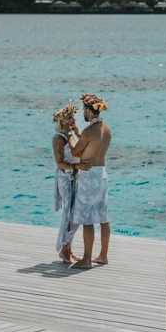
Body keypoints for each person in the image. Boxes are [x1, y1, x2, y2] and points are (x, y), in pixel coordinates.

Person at [69, 93, 111, 266]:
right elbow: (92, 147)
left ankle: (86, 259)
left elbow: (75, 152)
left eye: (84, 111)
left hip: (89, 175)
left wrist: (71, 137)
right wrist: (80, 135)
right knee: (103, 217)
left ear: (88, 110)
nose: (84, 114)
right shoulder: (106, 129)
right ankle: (103, 255)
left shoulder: (88, 131)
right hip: (102, 173)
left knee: (87, 218)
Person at [52, 103, 81, 263]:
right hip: (66, 179)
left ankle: (67, 248)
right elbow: (60, 163)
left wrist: (76, 133)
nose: (73, 120)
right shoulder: (58, 139)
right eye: (69, 117)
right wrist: (77, 167)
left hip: (76, 179)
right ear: (62, 121)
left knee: (75, 214)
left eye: (73, 117)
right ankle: (64, 248)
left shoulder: (71, 136)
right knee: (69, 214)